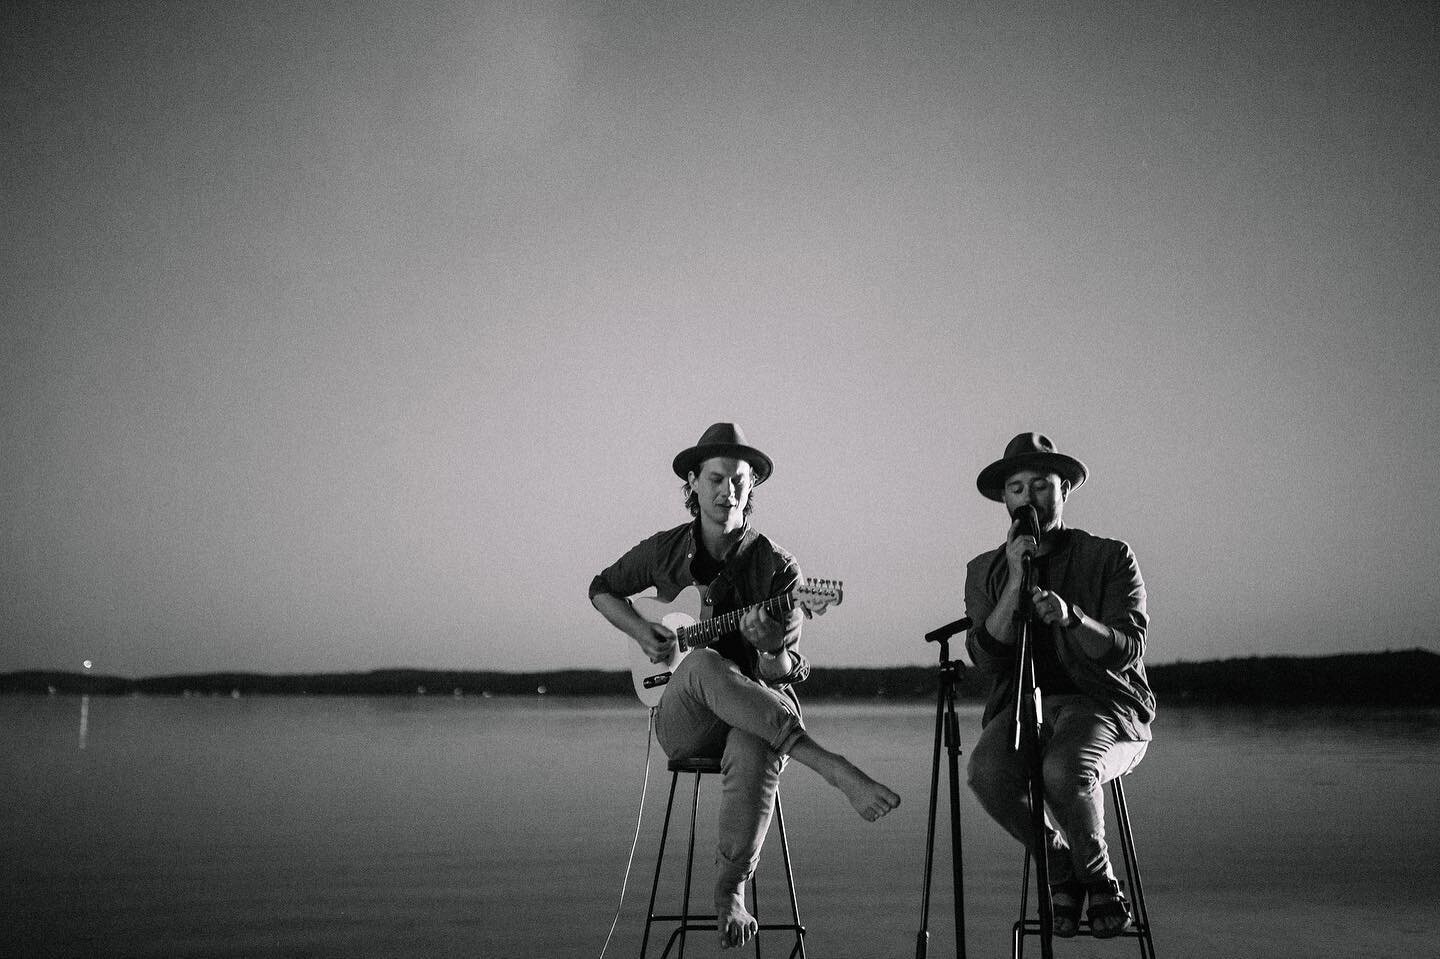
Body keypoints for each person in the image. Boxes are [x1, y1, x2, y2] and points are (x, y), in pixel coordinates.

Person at [590, 423, 900, 950]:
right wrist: (646, 632)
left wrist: (770, 647)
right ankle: (832, 766)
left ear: (751, 486)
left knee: (756, 739)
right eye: (714, 478)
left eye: (738, 480)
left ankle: (731, 888)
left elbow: (783, 672)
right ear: (693, 482)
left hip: (755, 718)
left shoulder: (779, 568)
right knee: (706, 663)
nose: (726, 490)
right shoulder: (664, 551)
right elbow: (601, 590)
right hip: (683, 715)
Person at [963, 432, 1154, 938]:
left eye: (1042, 485)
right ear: (1006, 500)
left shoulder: (1110, 556)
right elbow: (986, 657)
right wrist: (1013, 580)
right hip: (1023, 707)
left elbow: (1126, 647)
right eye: (1017, 488)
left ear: (1064, 489)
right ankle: (1058, 864)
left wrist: (1073, 620)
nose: (1028, 498)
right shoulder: (984, 569)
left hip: (1104, 708)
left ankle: (1100, 882)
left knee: (1063, 767)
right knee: (986, 772)